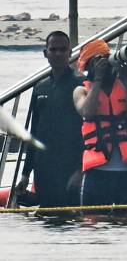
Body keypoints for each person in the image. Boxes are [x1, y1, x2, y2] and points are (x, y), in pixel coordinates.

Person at [73, 39, 127, 214]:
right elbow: (87, 111)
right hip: (97, 174)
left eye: (107, 59)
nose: (105, 64)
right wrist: (98, 79)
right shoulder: (81, 90)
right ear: (89, 66)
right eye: (99, 61)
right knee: (95, 227)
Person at [15, 31, 85, 209]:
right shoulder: (40, 87)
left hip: (71, 165)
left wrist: (81, 170)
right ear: (45, 53)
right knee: (47, 217)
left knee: (72, 219)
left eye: (63, 50)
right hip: (44, 167)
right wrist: (25, 174)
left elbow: (89, 131)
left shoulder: (81, 84)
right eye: (53, 50)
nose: (58, 54)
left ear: (70, 53)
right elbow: (34, 132)